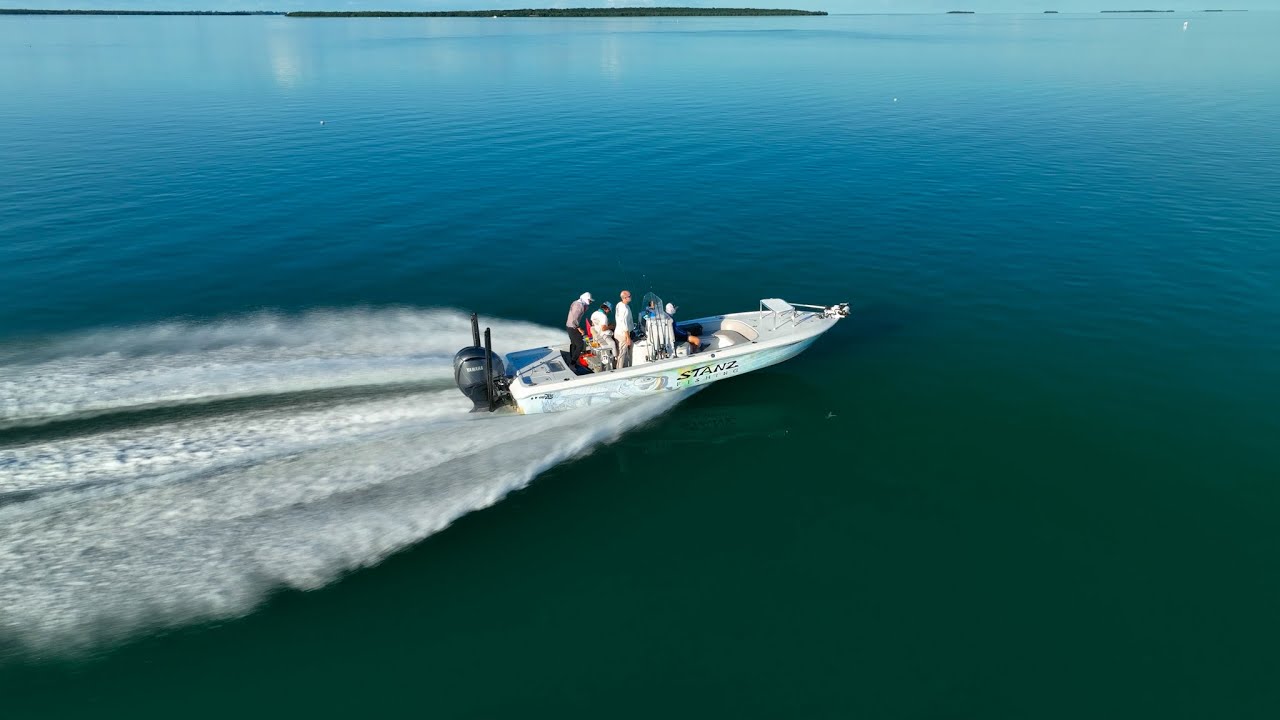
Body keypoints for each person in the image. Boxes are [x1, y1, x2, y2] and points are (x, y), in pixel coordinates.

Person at [565, 291, 592, 364]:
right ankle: (573, 362)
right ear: (586, 299)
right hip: (573, 327)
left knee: (573, 343)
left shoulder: (576, 302)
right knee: (580, 345)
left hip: (569, 326)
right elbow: (574, 319)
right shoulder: (579, 306)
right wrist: (579, 329)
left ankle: (571, 358)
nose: (590, 302)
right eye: (589, 300)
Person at [590, 301, 615, 369]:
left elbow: (593, 324)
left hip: (597, 333)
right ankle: (615, 357)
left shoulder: (594, 313)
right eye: (609, 311)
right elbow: (603, 328)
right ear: (607, 309)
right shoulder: (603, 317)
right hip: (603, 334)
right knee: (613, 342)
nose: (608, 312)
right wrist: (611, 327)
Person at [613, 290, 633, 369]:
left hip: (617, 332)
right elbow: (624, 324)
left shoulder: (619, 305)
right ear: (625, 298)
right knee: (622, 353)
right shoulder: (625, 309)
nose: (631, 297)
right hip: (623, 335)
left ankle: (620, 366)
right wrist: (628, 337)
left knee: (620, 352)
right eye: (629, 296)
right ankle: (619, 370)